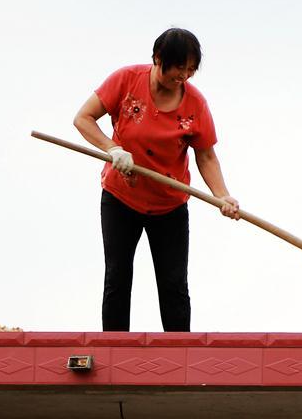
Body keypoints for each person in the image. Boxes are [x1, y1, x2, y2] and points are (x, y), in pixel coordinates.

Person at [74, 27, 240, 332]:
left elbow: (206, 155)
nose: (184, 76)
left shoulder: (195, 104)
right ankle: (114, 349)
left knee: (174, 284)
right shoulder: (125, 80)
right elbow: (83, 118)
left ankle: (180, 357)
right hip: (121, 198)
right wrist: (113, 149)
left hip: (169, 206)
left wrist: (222, 195)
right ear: (158, 58)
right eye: (178, 68)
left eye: (190, 70)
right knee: (118, 277)